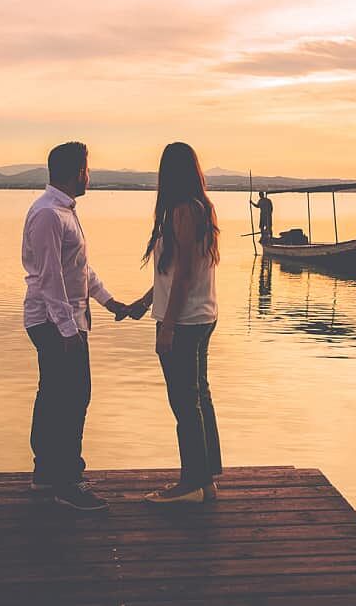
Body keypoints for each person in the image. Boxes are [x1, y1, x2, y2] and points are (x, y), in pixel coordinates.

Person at [21, 141, 130, 510]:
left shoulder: (64, 211)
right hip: (54, 321)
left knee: (54, 395)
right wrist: (68, 331)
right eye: (86, 168)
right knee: (72, 398)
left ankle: (46, 473)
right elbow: (51, 278)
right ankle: (68, 482)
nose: (89, 174)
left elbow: (79, 268)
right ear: (73, 172)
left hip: (65, 319)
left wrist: (109, 300)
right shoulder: (49, 214)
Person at [126, 142, 222, 504]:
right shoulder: (200, 209)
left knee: (185, 403)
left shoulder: (183, 212)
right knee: (199, 398)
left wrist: (166, 325)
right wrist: (145, 301)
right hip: (201, 316)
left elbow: (183, 276)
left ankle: (191, 483)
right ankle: (207, 478)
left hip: (183, 321)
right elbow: (174, 275)